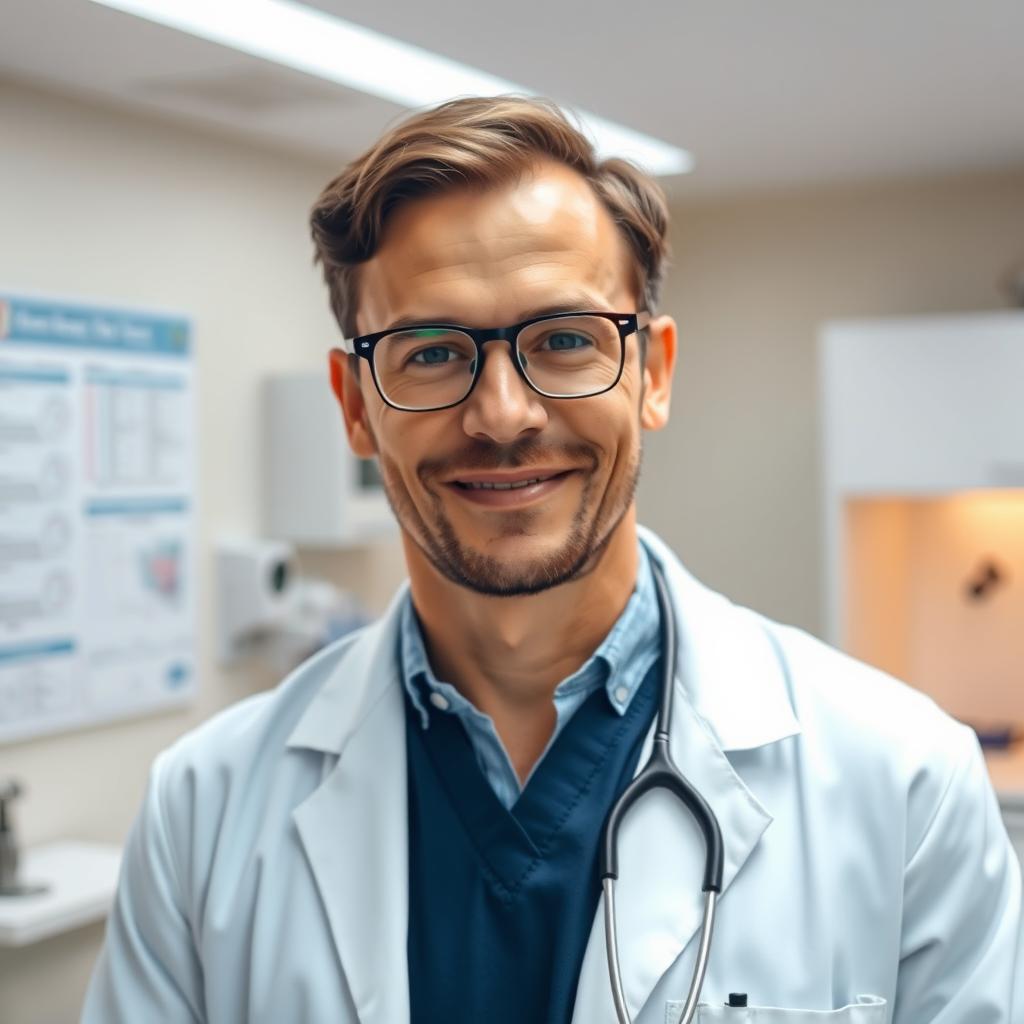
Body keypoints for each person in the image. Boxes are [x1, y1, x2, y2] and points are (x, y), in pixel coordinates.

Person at [82, 96, 1022, 1024]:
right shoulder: (202, 809)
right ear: (356, 405)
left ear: (652, 373)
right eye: (431, 351)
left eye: (565, 340)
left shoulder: (903, 783)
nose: (502, 414)